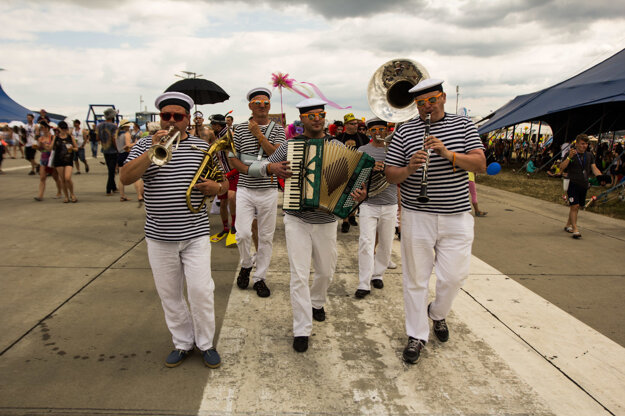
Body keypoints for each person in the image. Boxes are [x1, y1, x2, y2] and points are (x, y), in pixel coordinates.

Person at [120, 91, 228, 369]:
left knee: (201, 290)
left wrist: (217, 189)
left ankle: (205, 343)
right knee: (170, 294)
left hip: (195, 234)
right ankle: (182, 342)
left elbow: (223, 183)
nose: (170, 121)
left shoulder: (201, 148)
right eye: (165, 116)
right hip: (159, 236)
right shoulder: (145, 145)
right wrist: (151, 151)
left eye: (177, 117)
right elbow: (126, 176)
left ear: (187, 119)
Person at [385, 78, 486, 364]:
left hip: (457, 215)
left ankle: (437, 313)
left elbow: (480, 165)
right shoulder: (404, 131)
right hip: (418, 215)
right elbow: (390, 174)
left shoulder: (464, 126)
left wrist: (447, 153)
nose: (426, 108)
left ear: (442, 98)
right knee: (415, 279)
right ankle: (416, 335)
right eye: (419, 104)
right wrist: (409, 168)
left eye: (430, 101)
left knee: (454, 277)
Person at [260, 98, 367, 352]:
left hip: (328, 220)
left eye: (320, 114)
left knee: (326, 272)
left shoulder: (337, 146)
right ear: (303, 120)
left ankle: (317, 302)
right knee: (298, 275)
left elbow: (356, 179)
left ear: (324, 117)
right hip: (297, 218)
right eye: (311, 116)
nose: (316, 119)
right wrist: (272, 167)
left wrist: (361, 194)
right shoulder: (291, 145)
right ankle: (301, 328)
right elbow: (263, 165)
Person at [228, 87, 286, 298]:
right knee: (242, 234)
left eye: (266, 103)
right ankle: (246, 263)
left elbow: (277, 156)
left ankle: (260, 277)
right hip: (245, 187)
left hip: (268, 189)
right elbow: (233, 157)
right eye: (258, 103)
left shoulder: (278, 129)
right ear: (251, 106)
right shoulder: (240, 129)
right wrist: (247, 169)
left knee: (266, 237)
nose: (262, 106)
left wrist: (260, 136)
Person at [354, 117, 398, 299]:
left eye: (382, 129)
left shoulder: (395, 149)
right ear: (369, 132)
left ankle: (378, 274)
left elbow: (400, 178)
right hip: (368, 203)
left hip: (390, 203)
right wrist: (370, 168)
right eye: (375, 130)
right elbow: (354, 177)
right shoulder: (363, 150)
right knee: (366, 242)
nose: (379, 133)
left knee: (387, 244)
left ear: (388, 131)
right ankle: (363, 283)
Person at [560, 134, 602, 239]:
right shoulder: (571, 154)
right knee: (574, 206)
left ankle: (568, 225)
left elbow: (594, 168)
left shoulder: (589, 155)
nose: (584, 146)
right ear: (577, 144)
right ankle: (575, 229)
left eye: (586, 144)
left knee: (577, 206)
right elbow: (561, 167)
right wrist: (569, 157)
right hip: (573, 183)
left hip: (583, 184)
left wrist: (601, 177)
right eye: (582, 144)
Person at [209, 114, 238, 245]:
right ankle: (225, 227)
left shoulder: (229, 135)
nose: (211, 126)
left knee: (232, 197)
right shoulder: (217, 136)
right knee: (222, 201)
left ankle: (234, 226)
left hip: (233, 173)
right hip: (223, 173)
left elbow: (235, 157)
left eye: (212, 124)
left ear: (217, 125)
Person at [34, 121, 62, 201]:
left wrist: (43, 145)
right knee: (42, 177)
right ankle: (40, 195)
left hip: (51, 160)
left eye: (42, 127)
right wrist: (38, 147)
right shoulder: (41, 138)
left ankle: (59, 192)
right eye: (41, 128)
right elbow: (40, 149)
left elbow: (50, 148)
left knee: (55, 177)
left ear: (47, 128)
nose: (42, 129)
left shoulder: (53, 137)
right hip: (43, 159)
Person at [51, 121, 78, 203]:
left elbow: (76, 148)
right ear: (59, 129)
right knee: (62, 179)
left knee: (67, 178)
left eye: (65, 129)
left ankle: (72, 194)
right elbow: (51, 148)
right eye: (62, 129)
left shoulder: (70, 137)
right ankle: (66, 196)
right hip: (58, 160)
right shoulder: (56, 137)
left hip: (68, 159)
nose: (63, 130)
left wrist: (72, 148)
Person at [97, 108, 119, 195]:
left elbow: (97, 138)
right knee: (112, 171)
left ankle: (113, 187)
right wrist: (117, 148)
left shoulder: (99, 126)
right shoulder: (114, 126)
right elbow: (114, 138)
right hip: (113, 150)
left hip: (105, 149)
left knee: (110, 169)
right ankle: (108, 189)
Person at [115, 119, 134, 201]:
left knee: (121, 177)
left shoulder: (117, 135)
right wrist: (136, 143)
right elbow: (128, 145)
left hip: (120, 154)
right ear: (126, 126)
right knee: (136, 175)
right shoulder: (127, 134)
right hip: (126, 154)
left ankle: (122, 195)